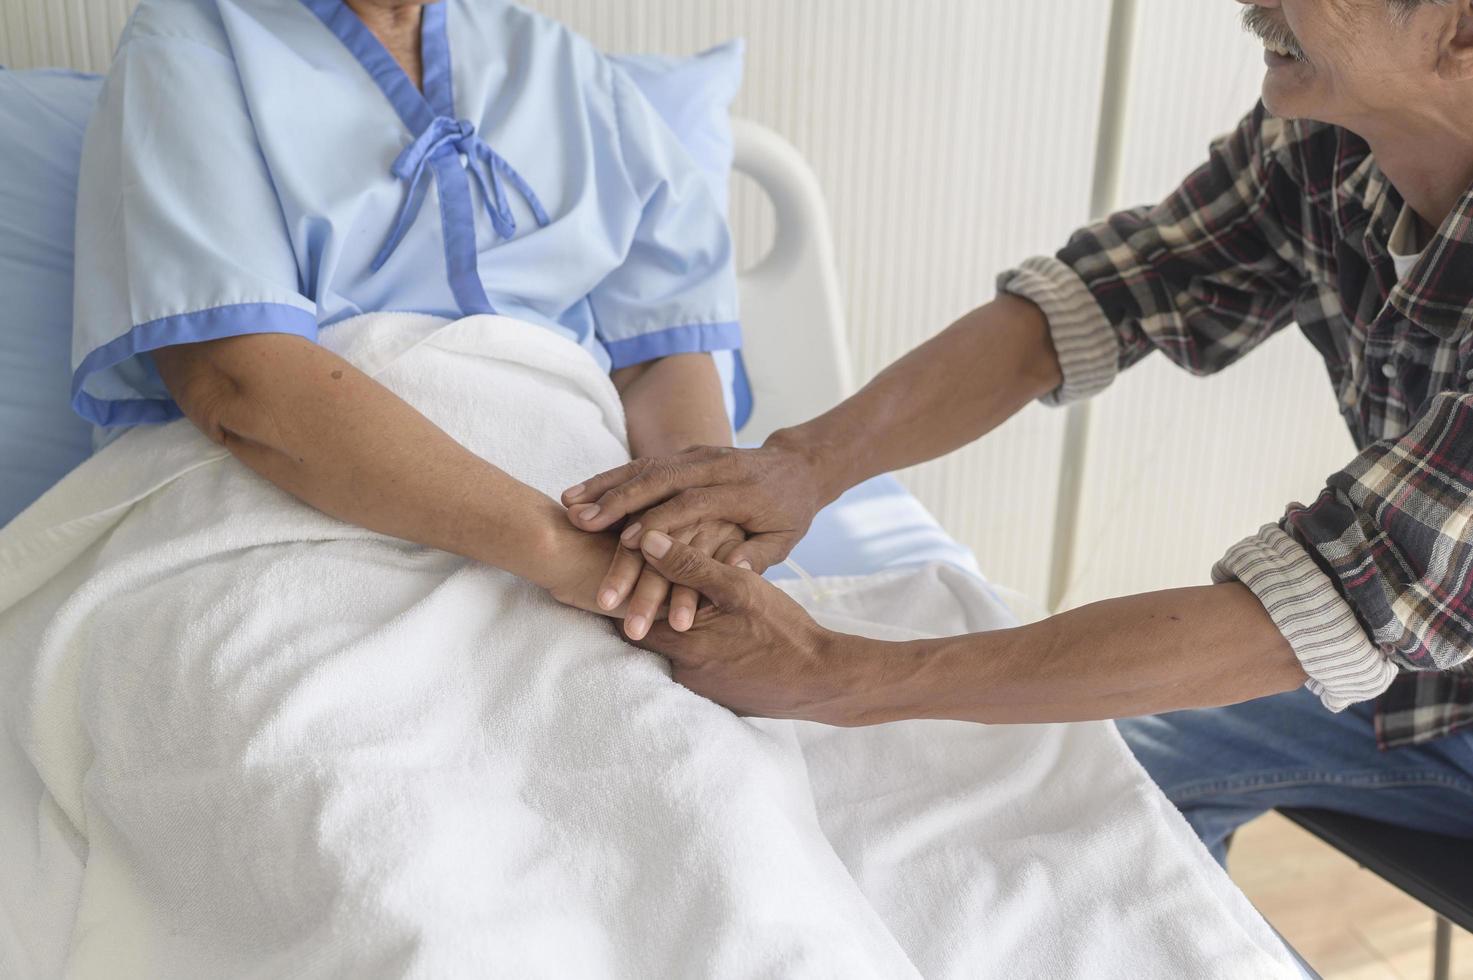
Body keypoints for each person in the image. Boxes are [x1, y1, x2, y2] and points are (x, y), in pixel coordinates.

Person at [560, 0, 1473, 864]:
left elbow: (1325, 608)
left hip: (1429, 678)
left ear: (1457, 30)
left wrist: (841, 673)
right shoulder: (1324, 132)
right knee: (1067, 803)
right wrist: (802, 464)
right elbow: (1113, 290)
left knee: (1047, 800)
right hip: (1424, 671)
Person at [70, 0, 747, 633]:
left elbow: (660, 351)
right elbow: (238, 381)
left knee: (685, 732)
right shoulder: (192, 40)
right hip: (297, 492)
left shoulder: (561, 66)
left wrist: (685, 537)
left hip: (583, 501)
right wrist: (561, 553)